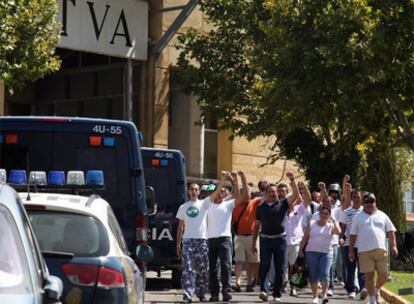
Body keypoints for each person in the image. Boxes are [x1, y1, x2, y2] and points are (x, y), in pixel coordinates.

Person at [252, 172, 299, 302]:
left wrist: (292, 179)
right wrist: (253, 243)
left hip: (280, 240)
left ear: (277, 193)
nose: (273, 193)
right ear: (266, 193)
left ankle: (277, 294)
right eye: (270, 191)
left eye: (274, 191)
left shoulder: (283, 203)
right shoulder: (260, 207)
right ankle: (263, 291)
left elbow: (295, 195)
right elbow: (256, 226)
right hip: (265, 239)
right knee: (265, 267)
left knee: (280, 268)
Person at [349, 192, 398, 304]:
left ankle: (376, 290)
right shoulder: (358, 217)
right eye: (367, 201)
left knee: (384, 276)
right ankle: (372, 300)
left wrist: (394, 245)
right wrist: (351, 251)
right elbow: (352, 235)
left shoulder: (382, 215)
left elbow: (390, 231)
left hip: (381, 250)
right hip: (364, 251)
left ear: (375, 202)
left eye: (372, 201)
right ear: (363, 203)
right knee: (369, 276)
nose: (369, 204)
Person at [176, 182, 221, 303]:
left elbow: (216, 192)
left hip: (202, 240)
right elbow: (180, 227)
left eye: (196, 189)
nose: (194, 191)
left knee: (202, 269)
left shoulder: (204, 204)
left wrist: (223, 179)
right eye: (192, 189)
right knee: (187, 269)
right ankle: (187, 295)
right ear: (188, 191)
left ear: (199, 192)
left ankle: (201, 293)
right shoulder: (183, 207)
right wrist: (178, 244)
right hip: (187, 241)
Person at [207, 171, 248, 302]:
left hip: (225, 239)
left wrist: (241, 179)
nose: (221, 193)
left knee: (225, 266)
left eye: (223, 191)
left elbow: (243, 195)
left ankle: (226, 291)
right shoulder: (207, 205)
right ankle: (214, 293)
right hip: (210, 239)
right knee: (212, 268)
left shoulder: (228, 204)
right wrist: (224, 179)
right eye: (219, 191)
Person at [299, 206, 342, 304]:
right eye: (322, 213)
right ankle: (315, 296)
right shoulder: (311, 224)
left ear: (329, 215)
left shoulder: (331, 226)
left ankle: (325, 295)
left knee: (325, 274)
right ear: (319, 214)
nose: (324, 215)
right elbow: (305, 237)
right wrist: (300, 249)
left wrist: (334, 220)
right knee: (313, 274)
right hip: (311, 252)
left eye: (326, 214)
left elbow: (338, 232)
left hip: (326, 253)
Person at [232, 178, 262, 293]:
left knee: (252, 262)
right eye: (242, 192)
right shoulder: (235, 204)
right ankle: (238, 283)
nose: (244, 195)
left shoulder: (255, 202)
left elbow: (266, 197)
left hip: (252, 237)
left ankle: (249, 283)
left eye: (247, 192)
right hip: (239, 237)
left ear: (250, 194)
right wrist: (234, 180)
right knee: (239, 261)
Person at [339, 184, 367, 300]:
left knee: (363, 269)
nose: (356, 198)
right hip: (349, 244)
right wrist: (341, 237)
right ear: (351, 198)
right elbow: (343, 227)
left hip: (363, 244)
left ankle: (362, 289)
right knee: (350, 268)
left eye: (358, 197)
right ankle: (351, 290)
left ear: (362, 198)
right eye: (354, 197)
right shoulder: (346, 212)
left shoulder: (365, 211)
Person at [284, 181, 312, 297]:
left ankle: (293, 287)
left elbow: (308, 200)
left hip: (296, 242)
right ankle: (283, 283)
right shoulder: (281, 210)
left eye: (293, 201)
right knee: (283, 266)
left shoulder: (299, 210)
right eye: (289, 201)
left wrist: (303, 187)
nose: (291, 202)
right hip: (283, 242)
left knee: (294, 267)